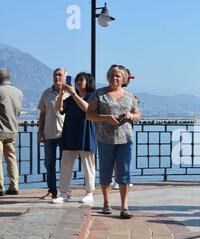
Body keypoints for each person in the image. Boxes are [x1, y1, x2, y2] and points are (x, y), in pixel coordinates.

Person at [87, 65, 141, 219]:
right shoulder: (99, 94)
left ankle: (124, 206)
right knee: (105, 170)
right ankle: (106, 202)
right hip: (105, 139)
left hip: (125, 139)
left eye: (118, 76)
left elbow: (138, 115)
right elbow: (89, 115)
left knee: (124, 171)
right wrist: (106, 118)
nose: (114, 78)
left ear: (123, 78)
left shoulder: (129, 96)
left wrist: (131, 115)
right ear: (108, 77)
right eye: (112, 75)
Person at [52, 72, 97, 204]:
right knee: (65, 165)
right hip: (70, 134)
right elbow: (59, 108)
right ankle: (64, 192)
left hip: (86, 134)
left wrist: (73, 94)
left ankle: (89, 192)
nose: (78, 82)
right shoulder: (70, 98)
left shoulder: (92, 96)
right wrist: (61, 93)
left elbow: (87, 108)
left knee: (88, 166)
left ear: (88, 82)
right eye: (77, 80)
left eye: (81, 80)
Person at [38, 68, 69, 200]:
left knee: (65, 165)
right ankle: (52, 191)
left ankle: (65, 191)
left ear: (65, 77)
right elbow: (43, 114)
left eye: (60, 75)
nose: (57, 77)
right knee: (49, 164)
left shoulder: (70, 93)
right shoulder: (46, 93)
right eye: (55, 75)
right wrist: (40, 130)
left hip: (65, 135)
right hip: (49, 134)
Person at [111, 68, 136, 190]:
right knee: (117, 157)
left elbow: (136, 114)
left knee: (124, 157)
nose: (129, 81)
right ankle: (117, 180)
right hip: (116, 130)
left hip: (127, 131)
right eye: (129, 78)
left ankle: (122, 179)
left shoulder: (127, 94)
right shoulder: (116, 93)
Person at [0, 68, 23, 196]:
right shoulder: (18, 92)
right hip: (13, 130)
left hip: (0, 131)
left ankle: (0, 187)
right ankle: (14, 186)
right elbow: (18, 112)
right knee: (11, 159)